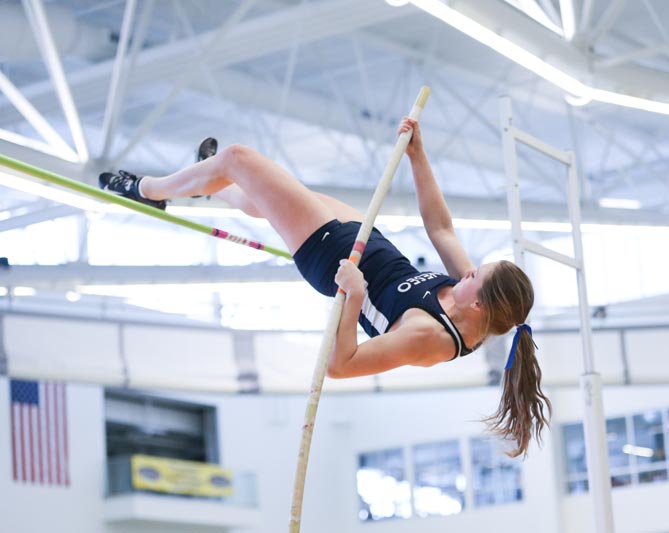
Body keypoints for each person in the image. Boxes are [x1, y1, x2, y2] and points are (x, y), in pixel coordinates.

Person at [99, 118, 551, 457]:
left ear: (481, 307)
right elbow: (440, 226)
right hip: (360, 235)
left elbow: (341, 364)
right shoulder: (468, 299)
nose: (467, 272)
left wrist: (353, 297)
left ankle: (149, 189)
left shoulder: (429, 338)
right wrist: (418, 155)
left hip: (330, 253)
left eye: (476, 277)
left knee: (238, 159)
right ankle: (209, 187)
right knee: (257, 199)